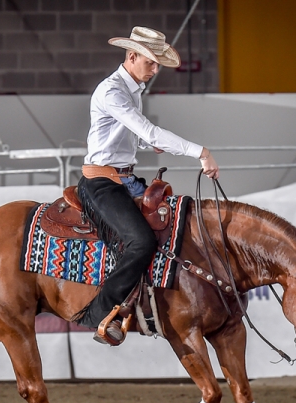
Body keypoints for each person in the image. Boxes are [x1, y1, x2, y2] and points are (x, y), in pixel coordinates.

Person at [76, 26, 219, 344]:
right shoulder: (113, 91)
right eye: (152, 63)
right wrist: (200, 152)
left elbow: (121, 136)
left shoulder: (130, 91)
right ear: (132, 56)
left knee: (174, 226)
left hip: (122, 178)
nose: (155, 70)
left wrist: (142, 144)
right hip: (102, 181)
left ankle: (156, 305)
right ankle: (101, 312)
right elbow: (150, 132)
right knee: (140, 241)